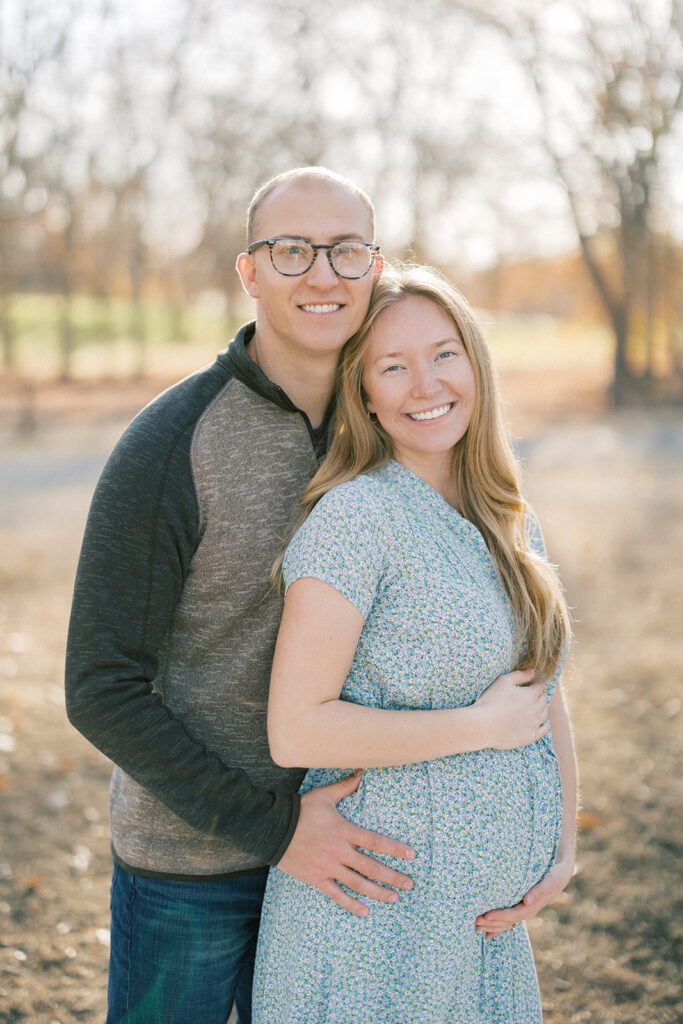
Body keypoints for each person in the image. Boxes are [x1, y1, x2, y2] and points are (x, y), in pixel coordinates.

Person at [65, 167, 424, 1024]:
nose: (321, 274)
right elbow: (99, 686)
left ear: (375, 266)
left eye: (345, 250)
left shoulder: (400, 424)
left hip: (356, 850)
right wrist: (275, 829)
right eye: (291, 249)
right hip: (189, 868)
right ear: (249, 271)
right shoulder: (171, 443)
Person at [252, 263, 578, 1023]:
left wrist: (559, 849)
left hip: (480, 926)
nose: (424, 385)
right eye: (391, 367)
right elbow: (294, 726)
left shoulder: (507, 517)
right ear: (363, 394)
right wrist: (474, 727)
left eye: (442, 354)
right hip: (377, 921)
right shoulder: (356, 520)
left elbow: (540, 694)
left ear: (474, 361)